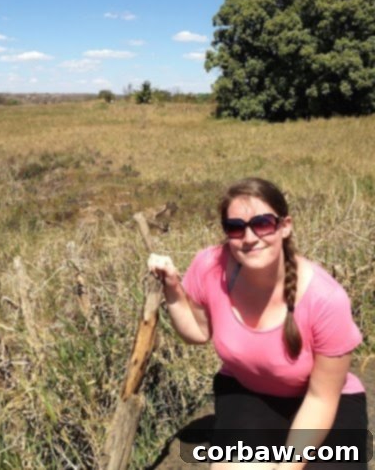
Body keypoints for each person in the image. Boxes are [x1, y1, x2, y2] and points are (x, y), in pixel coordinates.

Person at [148, 178, 368, 469]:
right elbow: (198, 333)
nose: (249, 237)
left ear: (285, 226)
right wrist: (173, 288)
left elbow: (320, 399)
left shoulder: (325, 299)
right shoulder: (211, 266)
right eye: (236, 227)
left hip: (323, 402)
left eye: (262, 223)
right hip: (249, 391)